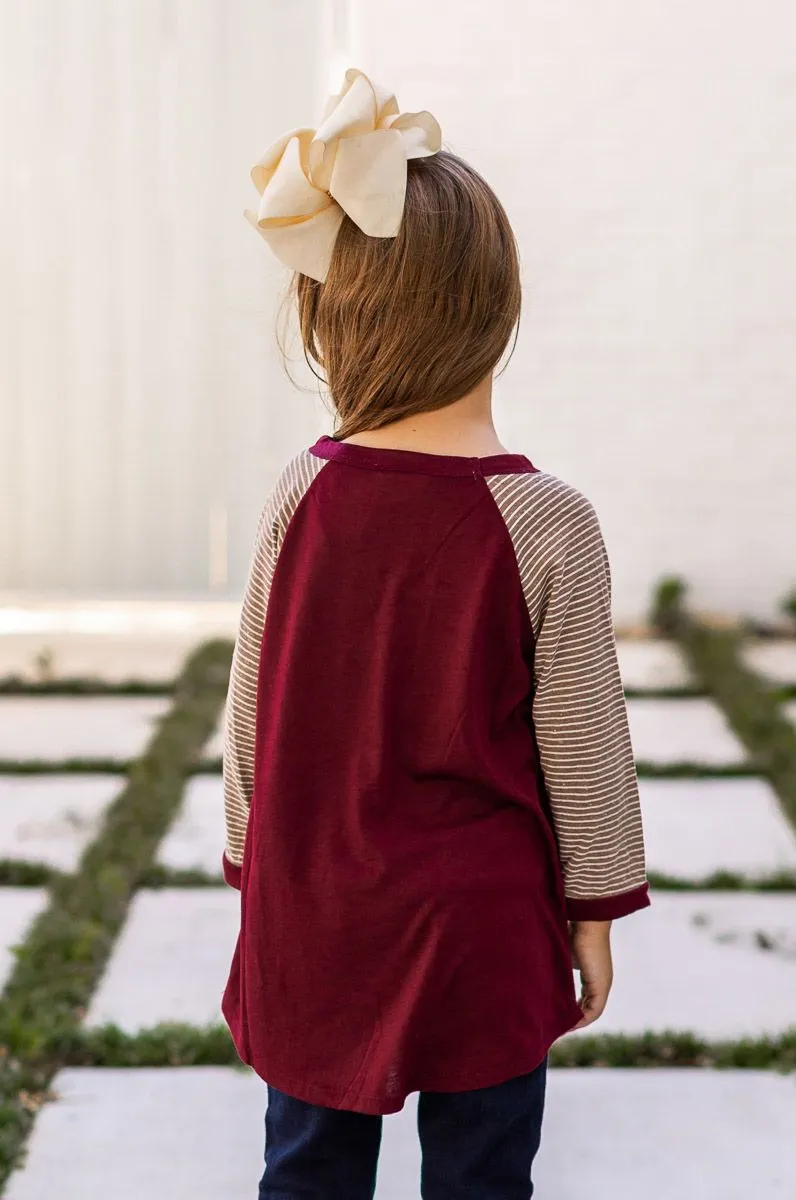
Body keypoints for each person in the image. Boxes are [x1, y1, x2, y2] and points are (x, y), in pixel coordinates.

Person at [221, 68, 649, 1200]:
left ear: (331, 313)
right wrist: (593, 908)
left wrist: (250, 865)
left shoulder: (299, 492)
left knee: (306, 1170)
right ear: (496, 305)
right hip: (480, 919)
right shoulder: (545, 517)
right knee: (481, 1174)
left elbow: (250, 708)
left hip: (318, 911)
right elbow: (582, 744)